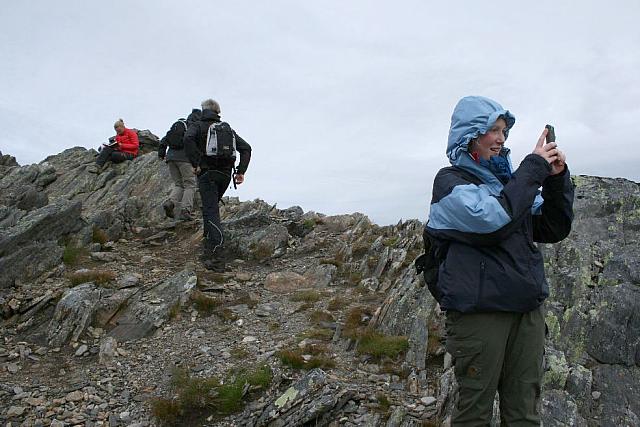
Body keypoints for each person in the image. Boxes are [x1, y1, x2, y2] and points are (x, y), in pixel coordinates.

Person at [425, 96, 574, 425]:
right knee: (475, 412)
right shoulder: (450, 183)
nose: (501, 138)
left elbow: (552, 226)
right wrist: (533, 169)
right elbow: (492, 221)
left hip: (526, 311)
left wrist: (556, 180)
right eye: (492, 130)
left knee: (524, 411)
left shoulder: (508, 185)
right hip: (480, 315)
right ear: (470, 135)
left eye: (503, 131)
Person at [184, 99, 251, 271]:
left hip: (207, 174)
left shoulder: (198, 125)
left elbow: (187, 139)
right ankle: (209, 249)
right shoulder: (227, 129)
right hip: (226, 175)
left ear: (203, 110)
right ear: (217, 112)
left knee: (211, 211)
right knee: (209, 208)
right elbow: (246, 148)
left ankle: (217, 256)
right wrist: (240, 172)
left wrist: (196, 162)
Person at [158, 109, 202, 221]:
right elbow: (195, 147)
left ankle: (170, 202)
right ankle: (185, 210)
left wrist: (161, 154)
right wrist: (196, 163)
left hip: (171, 158)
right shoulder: (194, 128)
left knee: (178, 184)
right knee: (190, 184)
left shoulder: (178, 125)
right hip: (185, 159)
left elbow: (164, 140)